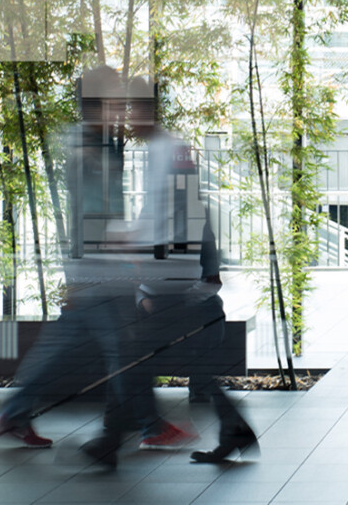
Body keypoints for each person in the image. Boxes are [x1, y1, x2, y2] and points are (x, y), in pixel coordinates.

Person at [0, 68, 191, 462]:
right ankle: (150, 425)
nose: (121, 108)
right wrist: (119, 258)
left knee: (72, 345)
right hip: (100, 269)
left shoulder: (97, 144)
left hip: (97, 268)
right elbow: (91, 214)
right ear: (96, 103)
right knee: (124, 349)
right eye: (114, 99)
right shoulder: (87, 149)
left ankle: (14, 413)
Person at [116, 79, 255, 463]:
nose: (127, 120)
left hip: (171, 276)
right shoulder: (162, 152)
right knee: (176, 358)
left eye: (131, 111)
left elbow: (181, 213)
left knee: (132, 355)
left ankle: (130, 434)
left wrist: (133, 248)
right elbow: (180, 211)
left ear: (146, 112)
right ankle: (231, 428)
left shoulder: (171, 152)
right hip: (171, 274)